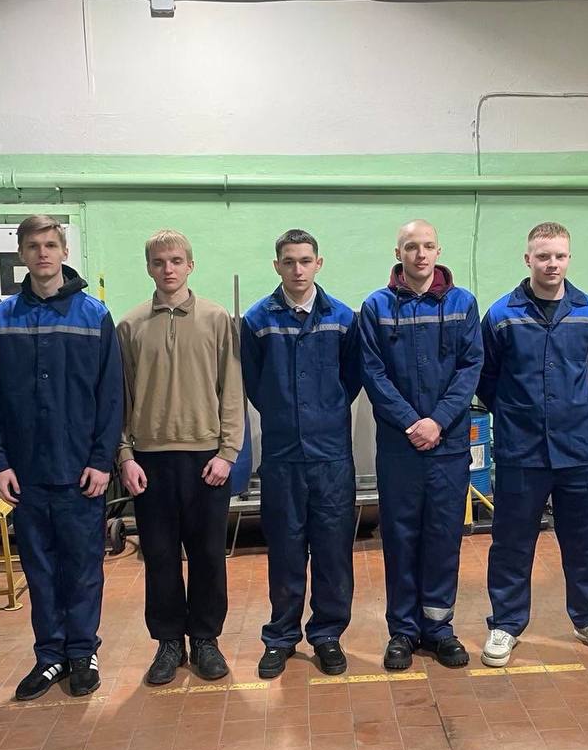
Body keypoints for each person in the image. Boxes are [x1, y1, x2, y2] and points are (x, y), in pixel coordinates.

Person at [0, 215, 122, 700]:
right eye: (33, 246)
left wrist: (101, 460)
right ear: (21, 254)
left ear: (64, 251)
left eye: (50, 245)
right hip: (26, 472)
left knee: (83, 566)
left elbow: (111, 395)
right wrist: (0, 463)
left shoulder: (94, 315)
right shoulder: (1, 318)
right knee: (38, 568)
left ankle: (82, 652)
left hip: (81, 470)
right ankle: (50, 657)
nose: (42, 253)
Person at [477, 222, 588, 666]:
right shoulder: (502, 315)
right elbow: (486, 377)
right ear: (528, 259)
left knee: (584, 541)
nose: (552, 264)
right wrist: (517, 413)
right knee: (511, 542)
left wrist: (568, 410)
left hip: (578, 450)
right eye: (543, 256)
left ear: (569, 258)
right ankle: (506, 624)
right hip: (520, 451)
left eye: (559, 255)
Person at [117, 230, 245, 686]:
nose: (167, 269)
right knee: (159, 557)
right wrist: (125, 455)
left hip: (207, 459)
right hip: (149, 462)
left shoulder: (217, 319)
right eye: (158, 262)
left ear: (190, 265)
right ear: (148, 268)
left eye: (175, 260)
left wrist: (228, 452)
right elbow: (120, 398)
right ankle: (169, 641)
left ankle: (206, 639)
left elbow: (232, 390)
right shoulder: (129, 326)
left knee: (208, 555)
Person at [359, 219, 482, 670]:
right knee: (400, 537)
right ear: (399, 253)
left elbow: (471, 367)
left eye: (428, 245)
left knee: (443, 536)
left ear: (438, 250)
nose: (421, 254)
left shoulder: (462, 303)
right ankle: (403, 631)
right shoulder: (376, 307)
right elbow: (372, 373)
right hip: (400, 447)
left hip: (448, 445)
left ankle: (439, 628)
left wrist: (438, 421)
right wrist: (413, 422)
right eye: (411, 246)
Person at [241, 230, 360, 679]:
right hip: (282, 457)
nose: (297, 269)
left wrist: (323, 413)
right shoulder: (257, 320)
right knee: (285, 550)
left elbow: (352, 378)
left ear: (318, 263)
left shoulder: (342, 318)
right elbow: (254, 382)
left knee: (332, 551)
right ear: (277, 266)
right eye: (288, 262)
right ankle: (281, 637)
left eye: (305, 261)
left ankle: (327, 634)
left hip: (331, 457)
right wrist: (284, 413)